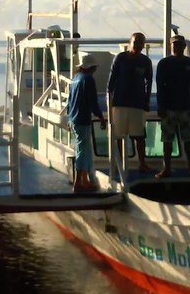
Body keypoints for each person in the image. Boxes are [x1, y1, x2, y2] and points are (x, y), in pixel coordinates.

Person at [154, 35, 190, 178]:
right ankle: (167, 168)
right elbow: (160, 86)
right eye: (174, 44)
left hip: (185, 106)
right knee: (167, 140)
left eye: (180, 44)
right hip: (169, 107)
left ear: (184, 46)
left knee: (188, 139)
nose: (177, 47)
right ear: (171, 46)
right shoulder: (164, 63)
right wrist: (161, 105)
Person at [106, 31, 154, 174]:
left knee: (139, 136)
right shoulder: (120, 58)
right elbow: (112, 78)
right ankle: (119, 163)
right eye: (136, 41)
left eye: (141, 42)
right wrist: (109, 98)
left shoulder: (146, 61)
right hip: (120, 102)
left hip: (138, 103)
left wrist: (146, 100)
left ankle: (142, 163)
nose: (138, 44)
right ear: (130, 42)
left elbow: (149, 82)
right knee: (119, 135)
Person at [66, 53, 107, 192]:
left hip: (73, 119)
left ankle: (84, 179)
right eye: (94, 67)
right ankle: (78, 182)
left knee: (83, 149)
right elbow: (93, 102)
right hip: (82, 119)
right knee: (83, 150)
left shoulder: (75, 79)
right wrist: (101, 117)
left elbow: (69, 101)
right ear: (91, 67)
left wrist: (68, 117)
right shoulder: (88, 80)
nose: (95, 70)